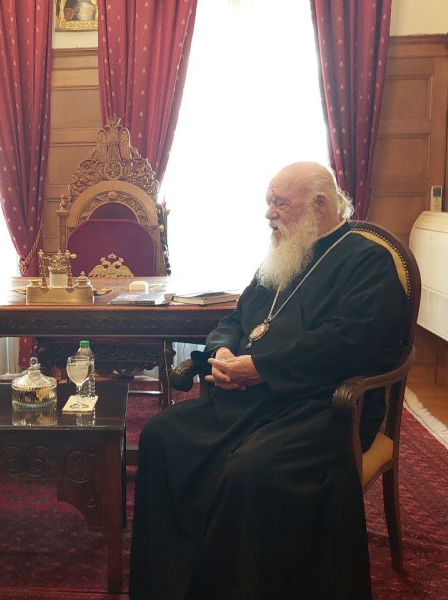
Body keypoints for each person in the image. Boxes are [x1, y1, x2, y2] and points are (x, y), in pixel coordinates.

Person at [129, 161, 408, 599]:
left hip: (321, 405)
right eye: (268, 203)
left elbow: (351, 343)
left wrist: (262, 368)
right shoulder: (281, 258)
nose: (269, 214)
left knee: (252, 471)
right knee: (162, 434)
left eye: (280, 203)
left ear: (320, 205)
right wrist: (222, 352)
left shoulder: (368, 261)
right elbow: (235, 319)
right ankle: (172, 584)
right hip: (249, 399)